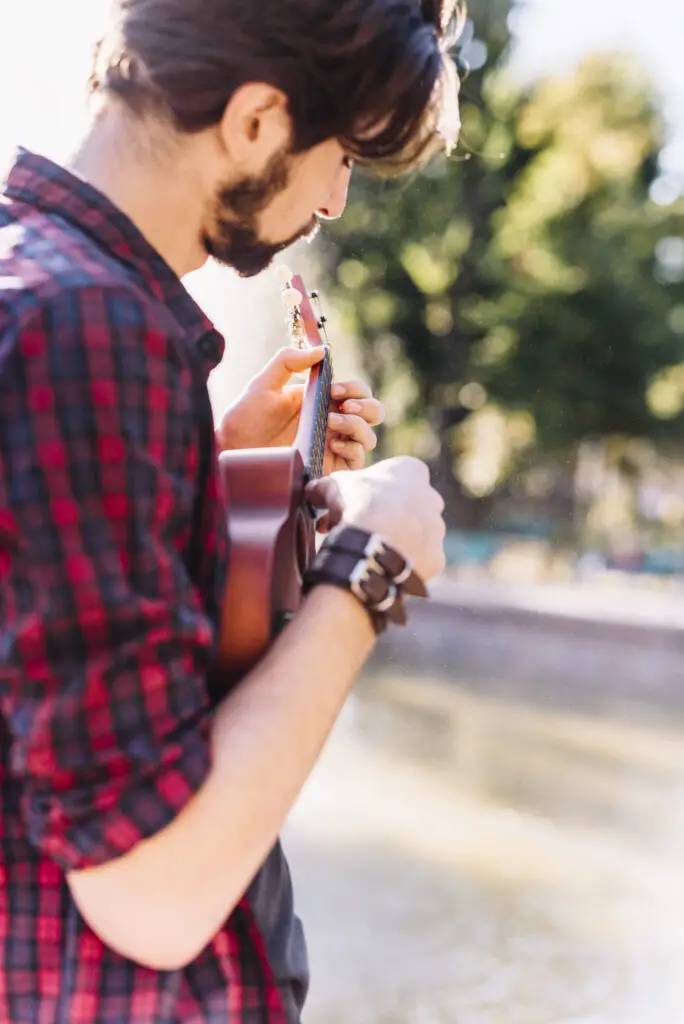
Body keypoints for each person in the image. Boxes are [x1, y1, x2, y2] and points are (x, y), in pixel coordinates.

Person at [0, 0, 460, 1020]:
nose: (337, 199)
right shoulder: (87, 328)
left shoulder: (33, 278)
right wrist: (369, 571)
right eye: (341, 153)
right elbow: (150, 891)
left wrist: (208, 470)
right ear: (256, 121)